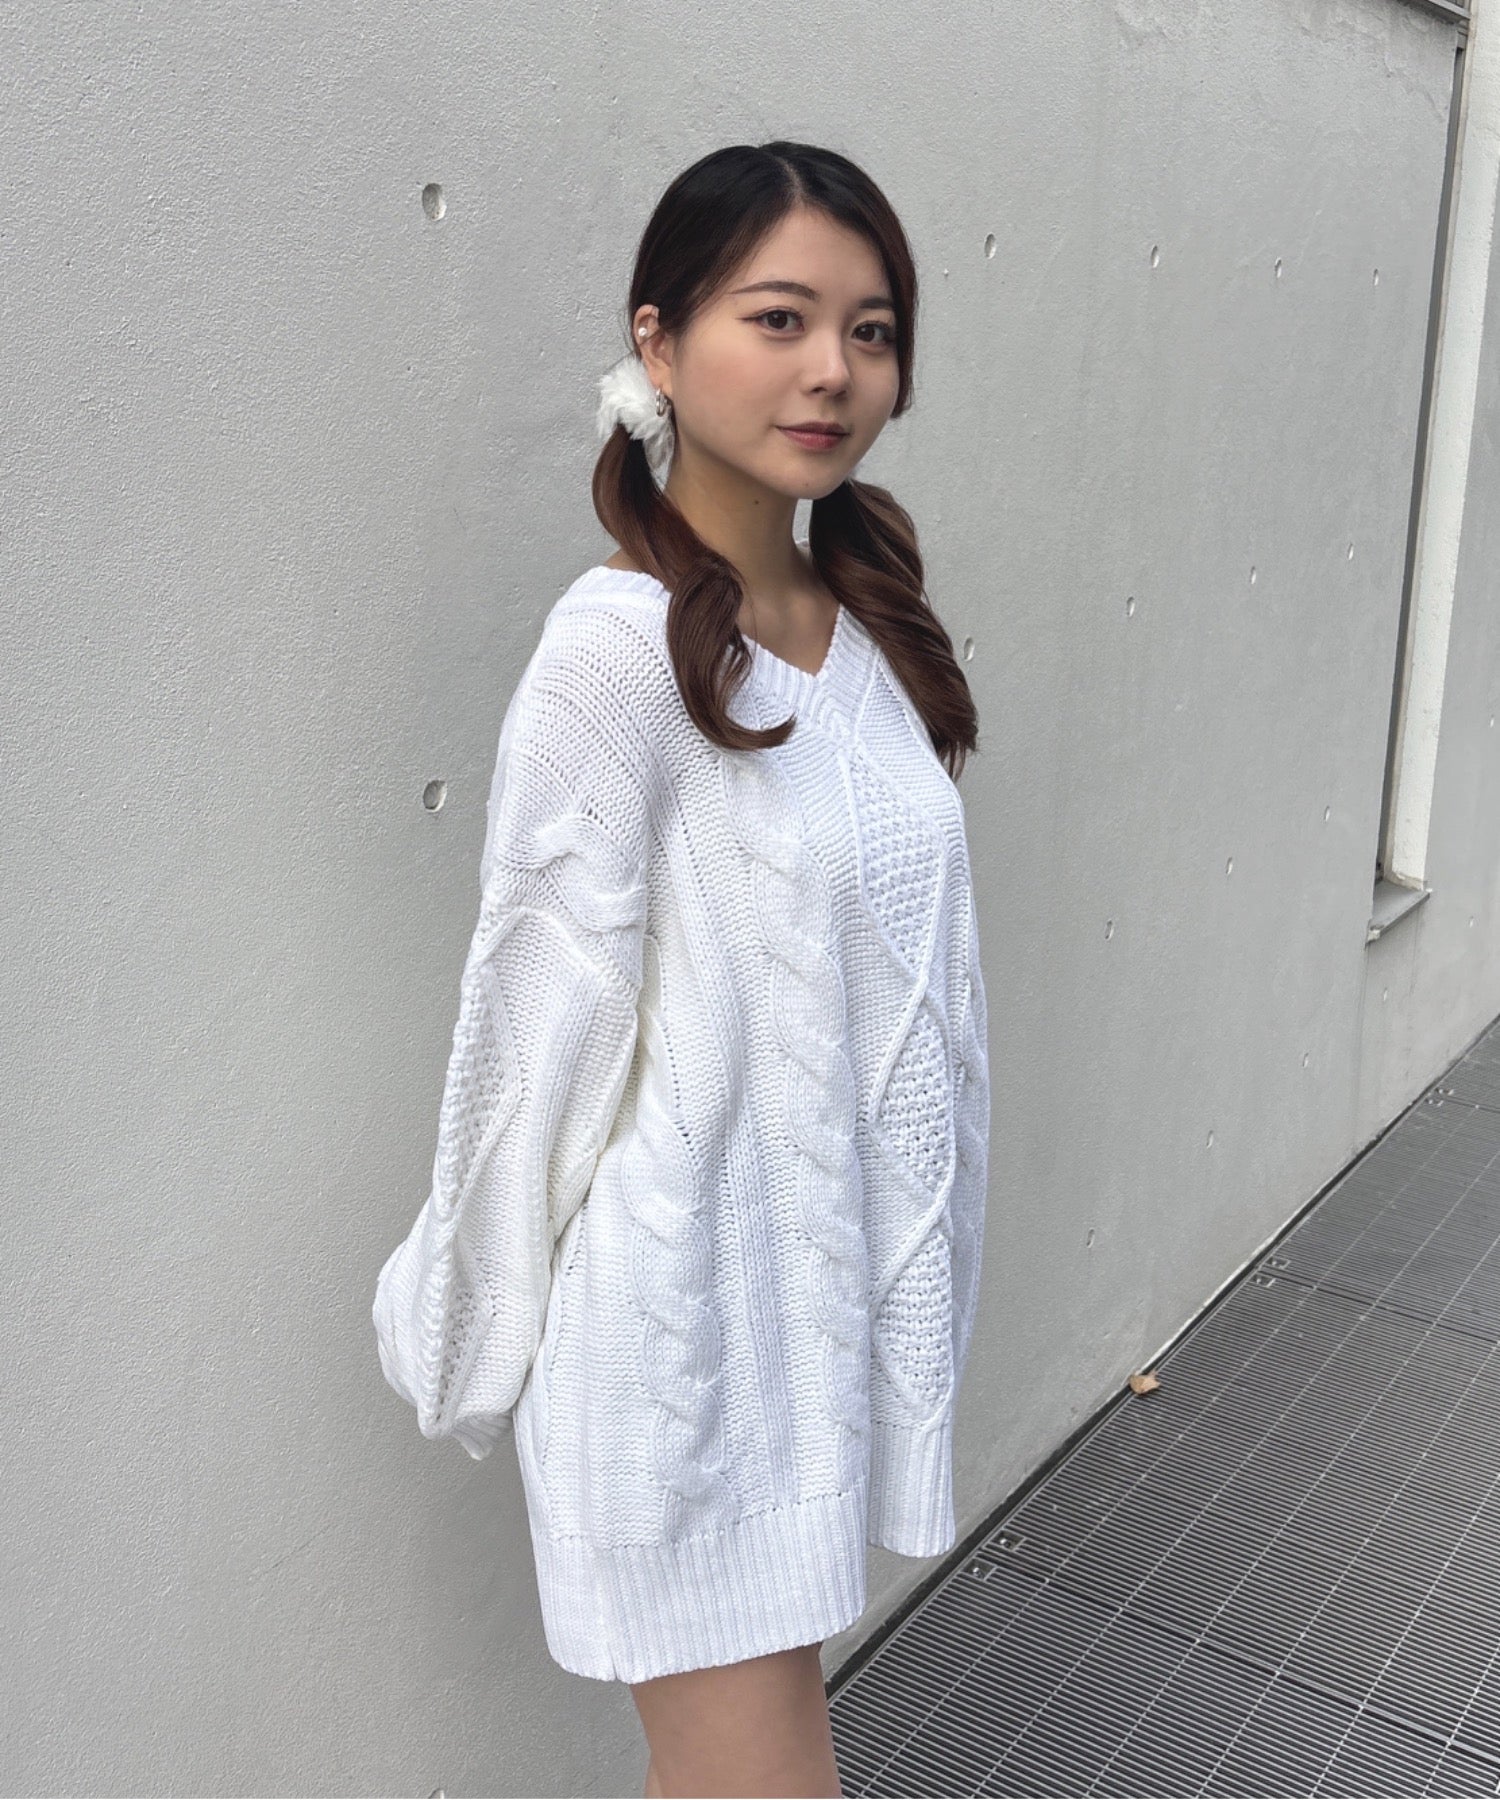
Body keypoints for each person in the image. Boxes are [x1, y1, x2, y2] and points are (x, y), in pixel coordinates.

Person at [372, 139, 991, 1799]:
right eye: (778, 317)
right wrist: (464, 1327)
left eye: (870, 331)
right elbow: (533, 1034)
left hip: (813, 1347)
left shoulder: (866, 623)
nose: (831, 369)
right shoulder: (612, 658)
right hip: (682, 1368)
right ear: (657, 340)